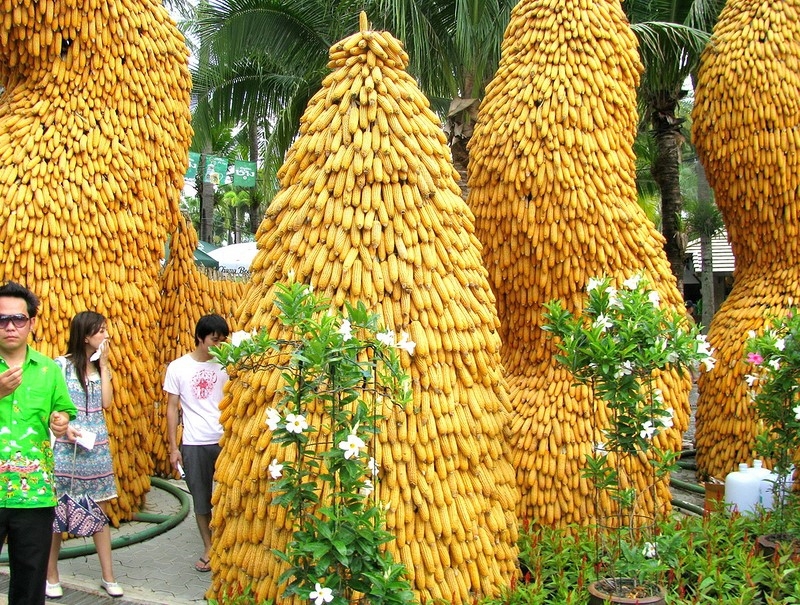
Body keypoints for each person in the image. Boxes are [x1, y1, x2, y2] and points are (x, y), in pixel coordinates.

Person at [0, 282, 78, 605]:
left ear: (32, 322)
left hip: (34, 495)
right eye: (1, 320)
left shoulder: (49, 370)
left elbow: (62, 414)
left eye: (18, 319)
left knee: (30, 586)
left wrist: (61, 422)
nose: (9, 327)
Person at [46, 311, 123, 598]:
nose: (106, 336)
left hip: (97, 449)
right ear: (86, 335)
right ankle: (51, 575)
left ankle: (109, 576)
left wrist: (104, 366)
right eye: (101, 331)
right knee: (58, 512)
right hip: (67, 450)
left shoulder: (100, 368)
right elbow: (51, 406)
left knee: (100, 512)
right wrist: (64, 430)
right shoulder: (60, 366)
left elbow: (106, 402)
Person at [164, 314, 230, 573]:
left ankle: (227, 545)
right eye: (215, 340)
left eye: (223, 340)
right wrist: (172, 448)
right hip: (194, 443)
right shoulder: (178, 367)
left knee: (227, 499)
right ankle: (208, 547)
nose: (219, 345)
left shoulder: (226, 365)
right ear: (200, 338)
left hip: (225, 441)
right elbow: (171, 408)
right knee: (201, 501)